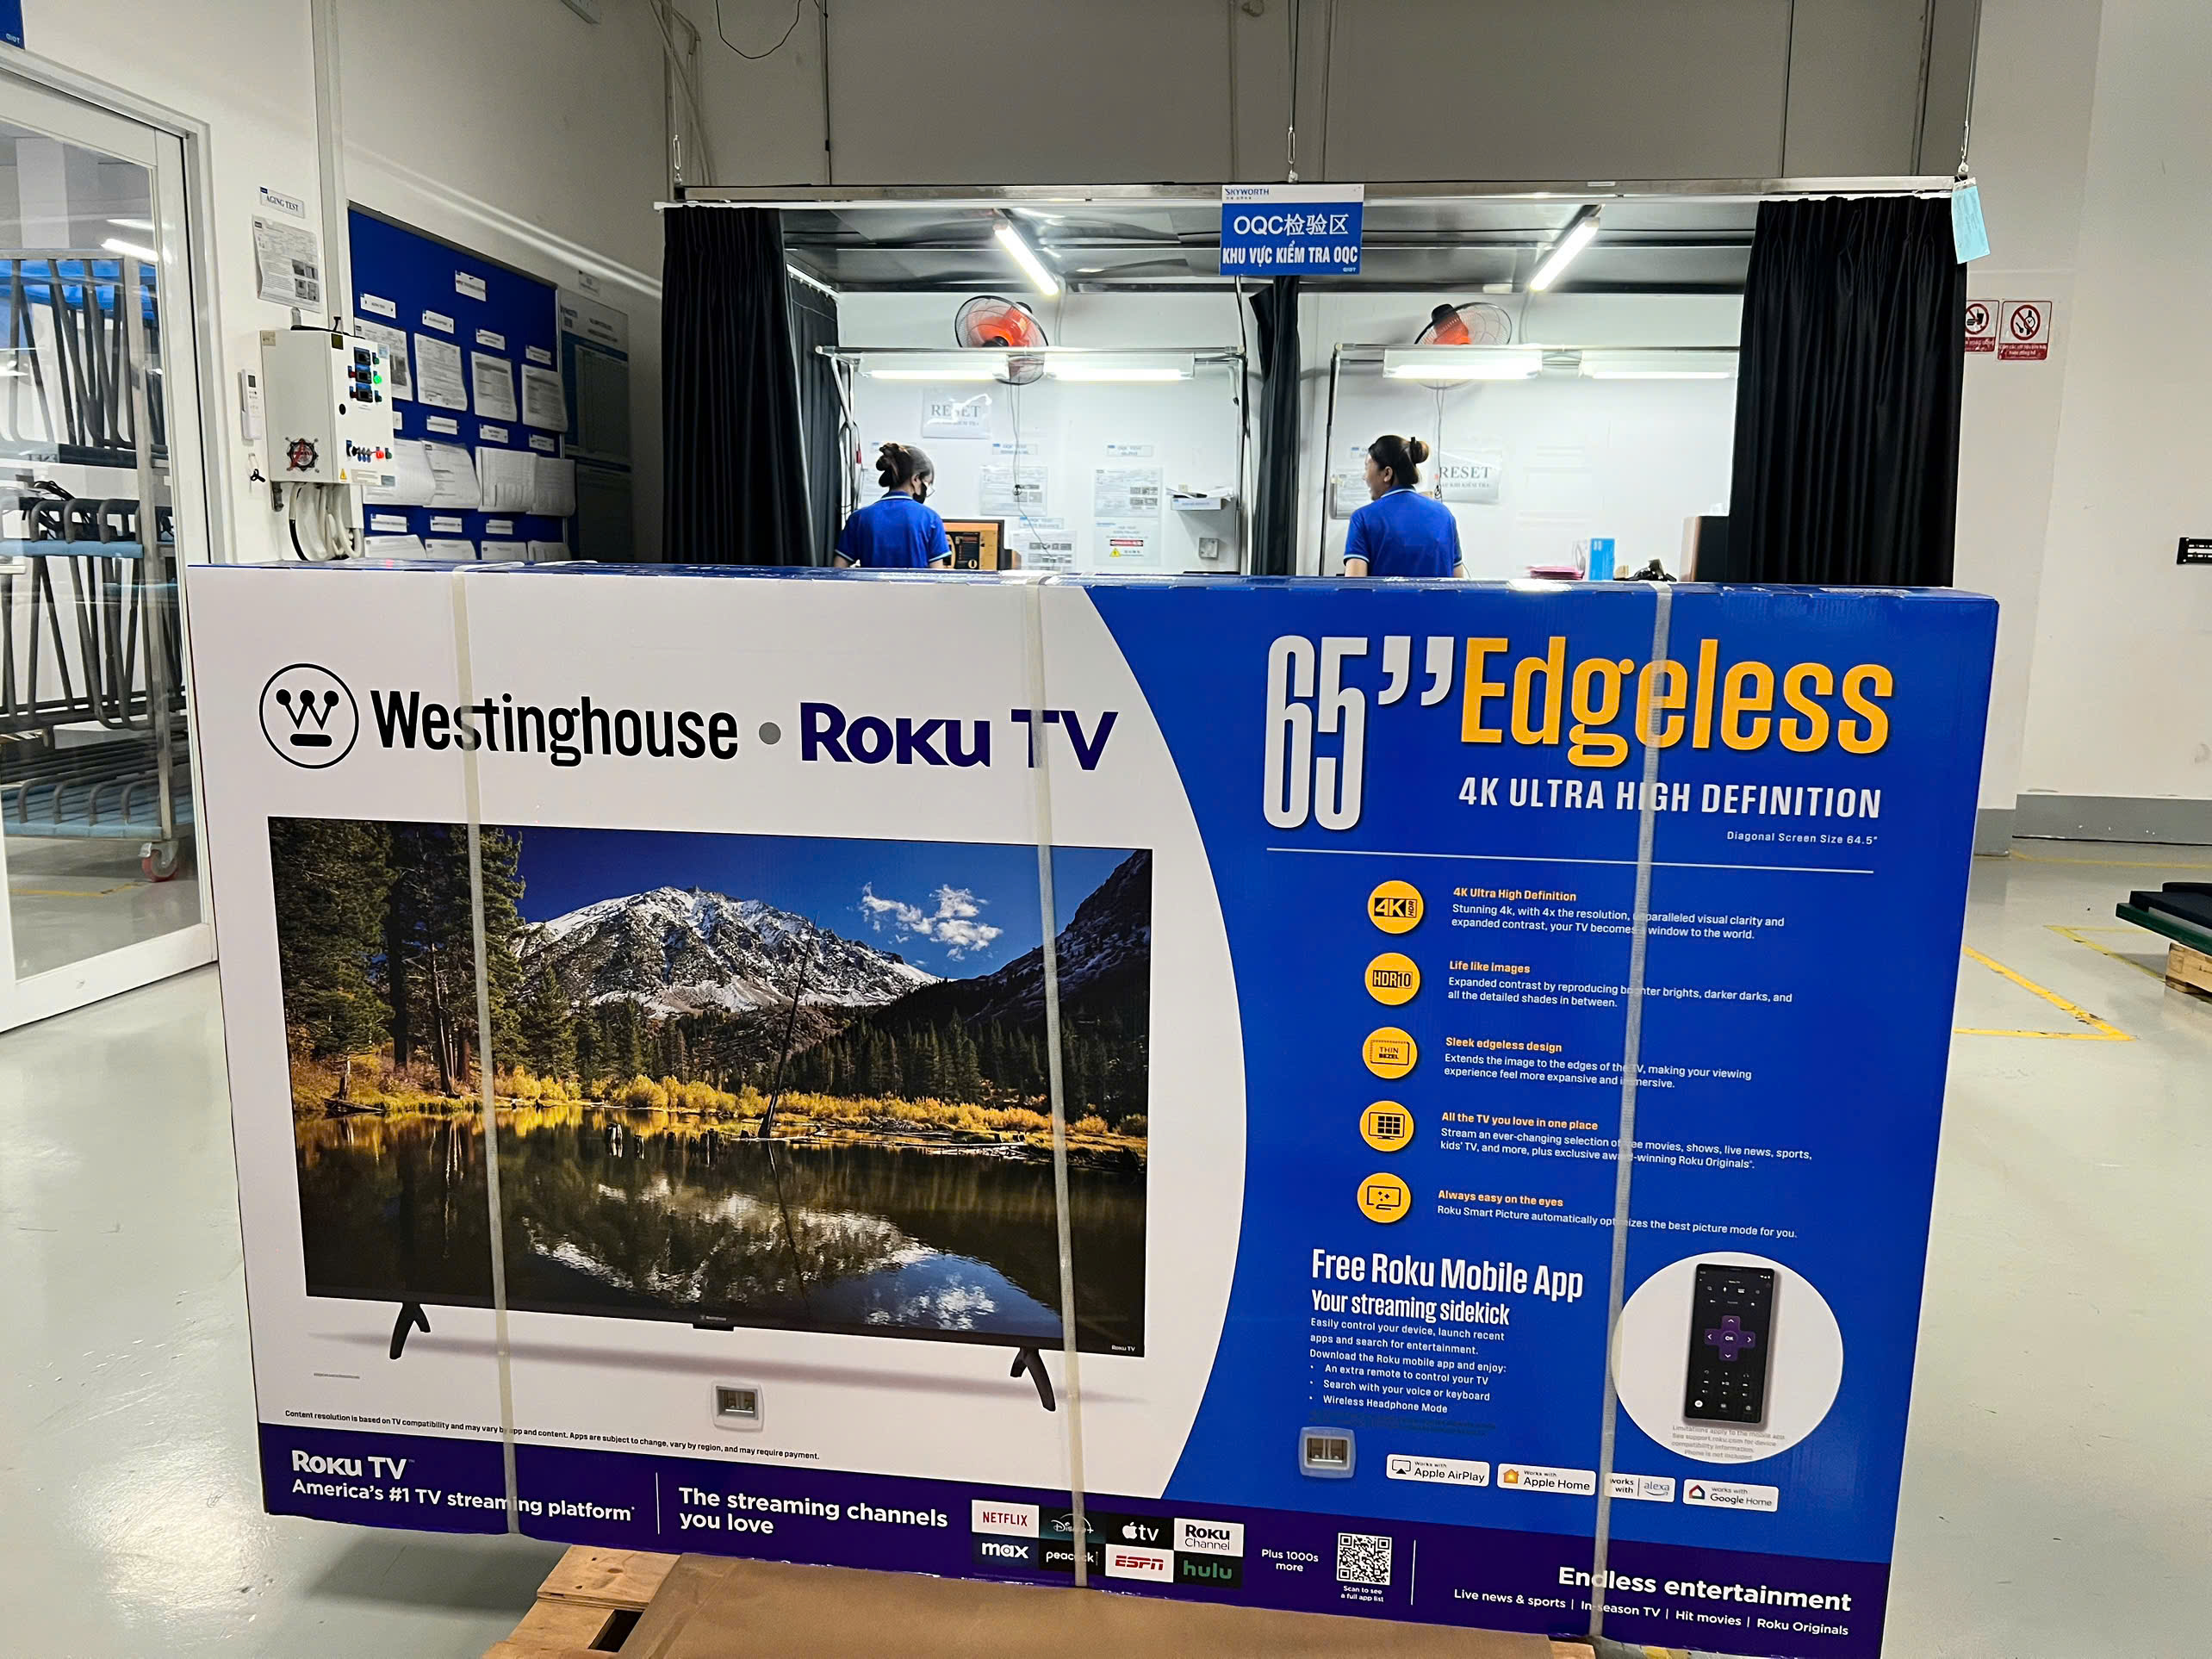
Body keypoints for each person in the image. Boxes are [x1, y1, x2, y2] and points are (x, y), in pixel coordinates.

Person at [1343, 434, 1463, 578]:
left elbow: (1354, 586)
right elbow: (1459, 583)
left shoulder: (1363, 518)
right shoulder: (1445, 515)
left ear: (1387, 473)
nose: (1365, 477)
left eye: (1367, 467)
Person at [835, 443, 952, 569]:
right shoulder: (931, 519)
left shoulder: (859, 518)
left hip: (872, 583)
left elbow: (839, 567)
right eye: (926, 484)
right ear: (916, 478)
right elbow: (937, 574)